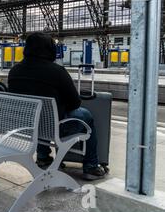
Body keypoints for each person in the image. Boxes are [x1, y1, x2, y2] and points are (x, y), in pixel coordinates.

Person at [7, 32, 107, 181]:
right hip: (55, 128)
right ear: (50, 49)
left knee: (41, 117)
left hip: (27, 126)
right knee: (85, 115)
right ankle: (91, 166)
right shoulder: (56, 71)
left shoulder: (14, 71)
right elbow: (75, 103)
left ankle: (43, 158)